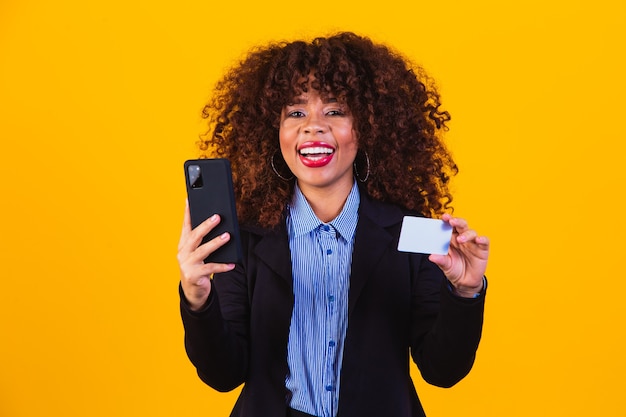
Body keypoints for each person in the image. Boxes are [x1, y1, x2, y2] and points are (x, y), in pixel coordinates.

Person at [177, 32, 490, 417]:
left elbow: (443, 371)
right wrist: (197, 298)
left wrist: (465, 292)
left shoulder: (415, 232)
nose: (313, 127)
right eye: (295, 113)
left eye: (335, 111)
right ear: (273, 132)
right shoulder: (241, 238)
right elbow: (223, 374)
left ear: (368, 127)